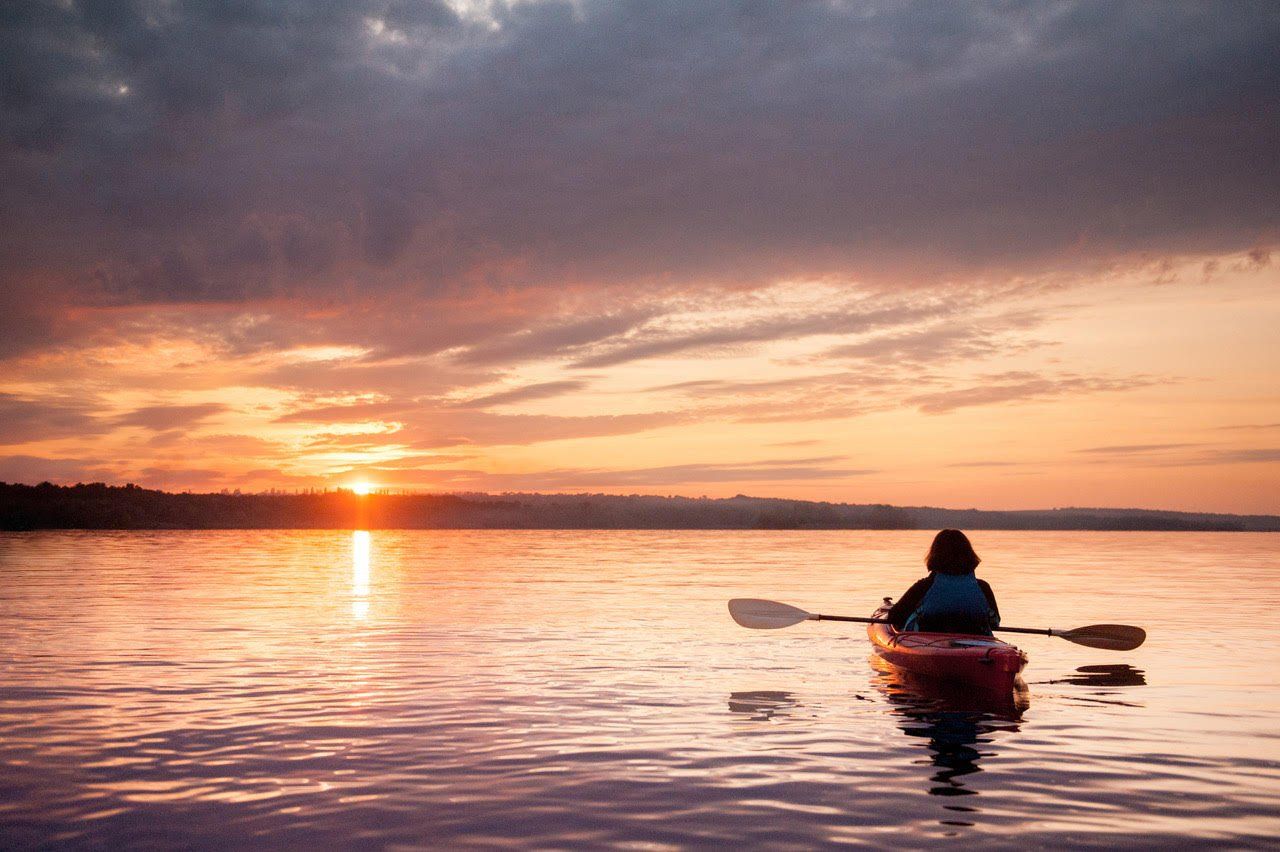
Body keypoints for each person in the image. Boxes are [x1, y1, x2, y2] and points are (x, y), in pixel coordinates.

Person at [886, 529, 1000, 635]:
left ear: (935, 556)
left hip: (928, 642)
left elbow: (894, 617)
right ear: (970, 555)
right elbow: (995, 622)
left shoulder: (924, 587)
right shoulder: (982, 587)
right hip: (976, 642)